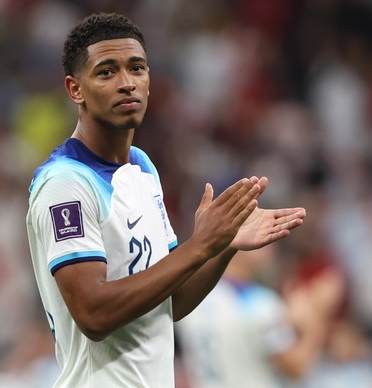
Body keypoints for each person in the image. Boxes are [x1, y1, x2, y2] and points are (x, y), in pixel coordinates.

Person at [25, 12, 306, 388]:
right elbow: (93, 314)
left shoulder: (142, 168)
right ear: (75, 89)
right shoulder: (65, 183)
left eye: (136, 68)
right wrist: (199, 245)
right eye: (107, 72)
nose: (127, 84)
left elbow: (169, 304)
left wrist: (221, 248)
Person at [175, 245, 344, 388]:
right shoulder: (259, 303)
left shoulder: (192, 297)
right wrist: (318, 316)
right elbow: (297, 368)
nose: (271, 245)